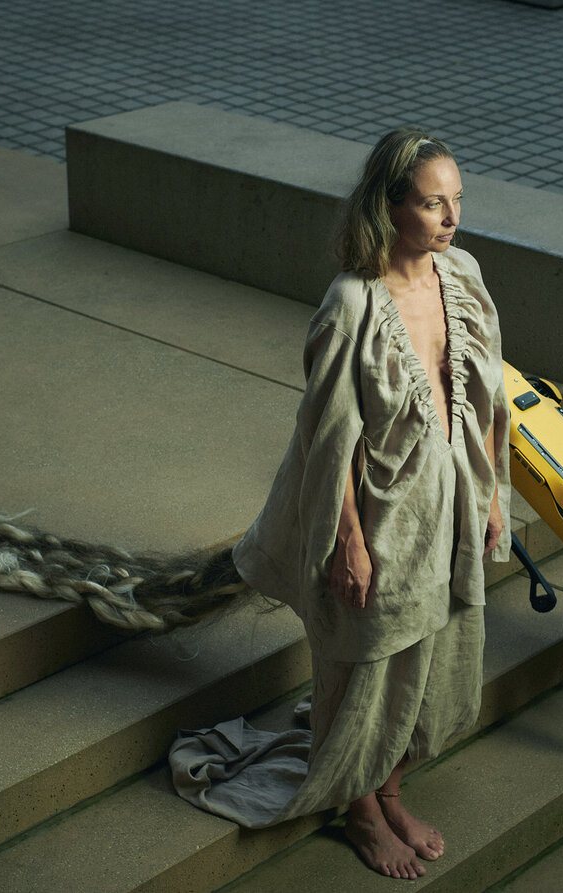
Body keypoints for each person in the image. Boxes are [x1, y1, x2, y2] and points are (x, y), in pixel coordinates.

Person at [169, 128, 511, 880]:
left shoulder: (464, 276)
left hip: (449, 502)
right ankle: (358, 810)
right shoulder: (352, 303)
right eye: (432, 203)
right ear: (389, 207)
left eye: (458, 200)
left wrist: (490, 495)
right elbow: (327, 439)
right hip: (382, 510)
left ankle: (389, 788)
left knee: (431, 646)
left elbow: (487, 394)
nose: (451, 218)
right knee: (364, 658)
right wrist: (348, 540)